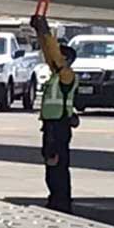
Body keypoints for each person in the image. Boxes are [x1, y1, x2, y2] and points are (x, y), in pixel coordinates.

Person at [32, 13, 77, 213]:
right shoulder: (56, 75)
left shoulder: (66, 75)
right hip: (51, 126)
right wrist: (40, 34)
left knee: (58, 166)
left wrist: (46, 31)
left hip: (59, 126)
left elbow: (54, 56)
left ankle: (62, 202)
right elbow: (49, 55)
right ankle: (55, 199)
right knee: (51, 166)